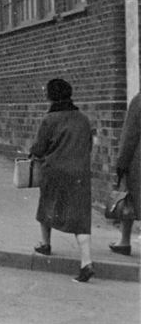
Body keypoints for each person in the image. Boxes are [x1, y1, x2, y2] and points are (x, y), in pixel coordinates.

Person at [29, 78, 95, 282]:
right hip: (79, 174)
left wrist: (33, 154)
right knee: (80, 218)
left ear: (50, 96)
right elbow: (89, 145)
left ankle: (45, 244)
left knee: (47, 206)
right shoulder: (83, 119)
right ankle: (86, 262)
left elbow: (39, 148)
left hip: (54, 172)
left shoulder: (50, 119)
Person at [111, 93, 140, 255]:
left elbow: (130, 136)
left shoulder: (138, 101)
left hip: (138, 162)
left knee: (128, 199)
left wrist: (121, 163)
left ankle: (124, 241)